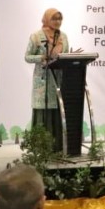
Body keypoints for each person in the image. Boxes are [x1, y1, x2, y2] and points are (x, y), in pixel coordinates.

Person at [24, 8, 69, 151]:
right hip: (43, 81)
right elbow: (27, 56)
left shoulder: (63, 36)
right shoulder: (36, 36)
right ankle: (41, 147)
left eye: (59, 19)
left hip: (59, 80)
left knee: (58, 110)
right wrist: (41, 57)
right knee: (44, 111)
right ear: (47, 19)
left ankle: (58, 146)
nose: (57, 22)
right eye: (54, 19)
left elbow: (65, 55)